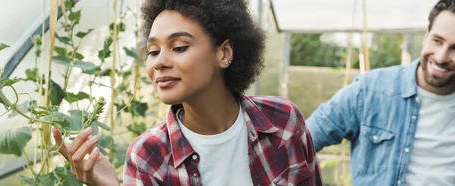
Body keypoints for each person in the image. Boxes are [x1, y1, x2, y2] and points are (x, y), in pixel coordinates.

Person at [52, 0, 322, 185]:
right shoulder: (147, 156)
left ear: (224, 53)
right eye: (153, 51)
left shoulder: (283, 121)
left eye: (179, 47)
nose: (159, 61)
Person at [306, 0, 455, 186]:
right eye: (437, 41)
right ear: (426, 36)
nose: (441, 56)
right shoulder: (370, 91)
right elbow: (300, 142)